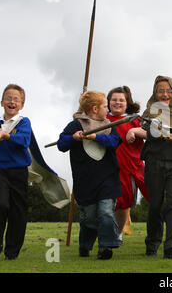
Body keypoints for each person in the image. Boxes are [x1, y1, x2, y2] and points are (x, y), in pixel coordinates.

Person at [57, 91, 122, 260]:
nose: (108, 109)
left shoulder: (108, 125)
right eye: (105, 106)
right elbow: (61, 144)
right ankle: (85, 245)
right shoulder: (76, 125)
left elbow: (115, 142)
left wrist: (97, 137)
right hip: (85, 181)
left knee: (106, 212)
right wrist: (73, 137)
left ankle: (106, 246)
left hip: (108, 179)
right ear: (94, 108)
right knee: (89, 217)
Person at [140, 75, 172, 259]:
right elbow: (147, 132)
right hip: (154, 161)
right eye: (161, 90)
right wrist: (160, 132)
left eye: (169, 90)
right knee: (155, 204)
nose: (165, 94)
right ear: (155, 92)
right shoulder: (148, 112)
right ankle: (152, 243)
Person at [0, 84, 32, 261]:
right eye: (8, 98)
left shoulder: (24, 122)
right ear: (2, 102)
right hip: (0, 171)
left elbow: (24, 140)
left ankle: (12, 252)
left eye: (16, 99)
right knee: (1, 205)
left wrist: (6, 136)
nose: (12, 102)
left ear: (22, 104)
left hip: (19, 171)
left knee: (18, 211)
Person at [107, 86, 149, 243]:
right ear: (108, 102)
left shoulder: (135, 119)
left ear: (127, 103)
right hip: (107, 167)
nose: (117, 103)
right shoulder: (103, 119)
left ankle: (117, 234)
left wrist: (136, 131)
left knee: (124, 202)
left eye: (121, 100)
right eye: (114, 100)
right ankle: (105, 232)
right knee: (106, 202)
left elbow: (150, 133)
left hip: (129, 167)